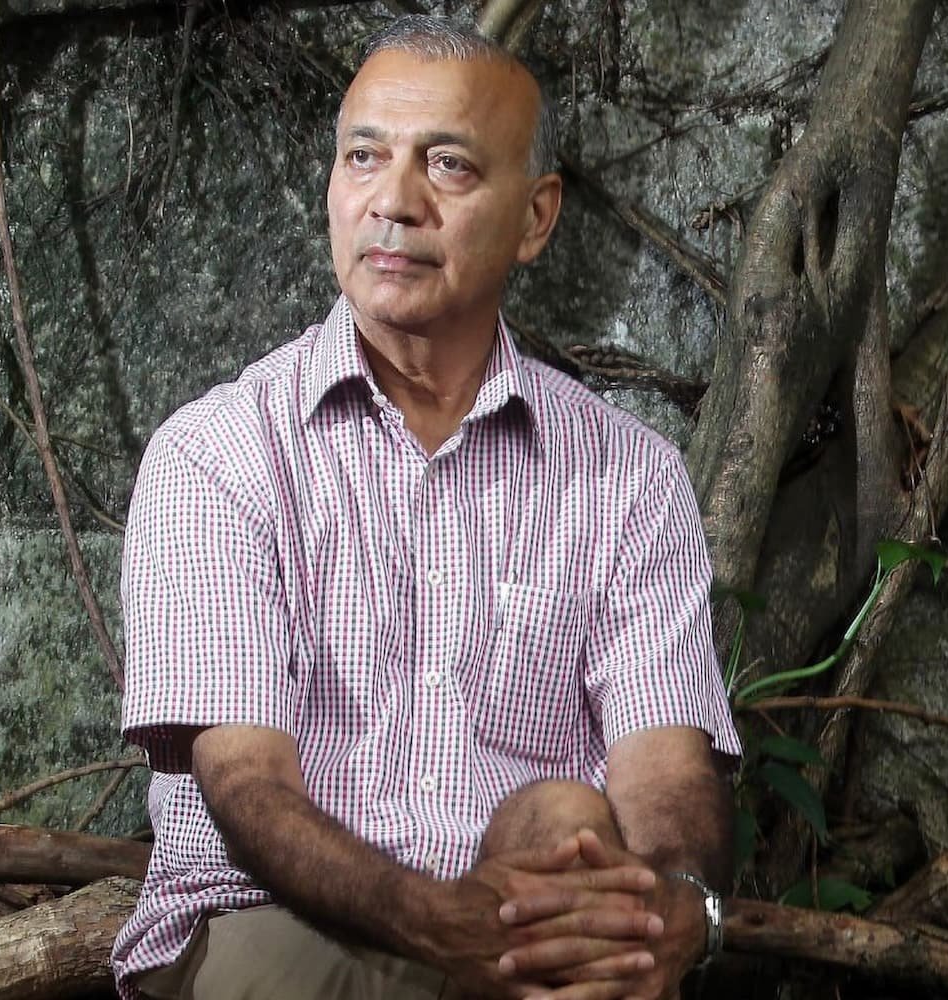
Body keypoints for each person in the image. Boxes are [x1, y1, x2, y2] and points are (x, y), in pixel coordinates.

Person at [112, 14, 741, 1000]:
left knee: (568, 819)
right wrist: (436, 925)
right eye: (364, 156)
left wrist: (675, 906)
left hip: (518, 942)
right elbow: (246, 788)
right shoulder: (220, 453)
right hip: (264, 928)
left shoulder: (628, 474)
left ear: (535, 218)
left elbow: (662, 774)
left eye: (446, 166)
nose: (392, 202)